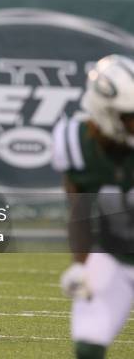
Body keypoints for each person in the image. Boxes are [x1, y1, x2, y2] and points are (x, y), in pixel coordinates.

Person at [53, 55, 134, 359]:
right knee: (88, 344)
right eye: (129, 115)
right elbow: (79, 210)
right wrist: (80, 263)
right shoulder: (76, 143)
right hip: (112, 254)